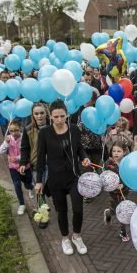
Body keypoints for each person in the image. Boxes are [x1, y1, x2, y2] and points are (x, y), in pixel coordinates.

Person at [35, 100, 91, 256]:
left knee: (78, 209)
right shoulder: (44, 133)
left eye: (62, 116)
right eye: (56, 117)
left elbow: (80, 148)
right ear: (50, 116)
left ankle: (77, 236)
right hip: (56, 179)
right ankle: (65, 238)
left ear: (67, 114)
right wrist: (39, 180)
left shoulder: (74, 129)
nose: (59, 120)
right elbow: (40, 158)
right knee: (62, 210)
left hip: (73, 177)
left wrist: (84, 157)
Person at [0, 120, 33, 215]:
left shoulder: (24, 137)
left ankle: (30, 187)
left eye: (16, 130)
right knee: (17, 184)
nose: (14, 133)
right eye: (11, 131)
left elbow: (28, 152)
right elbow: (0, 151)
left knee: (28, 184)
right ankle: (22, 204)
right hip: (13, 167)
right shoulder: (8, 139)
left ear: (20, 128)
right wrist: (6, 143)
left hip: (25, 166)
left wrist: (17, 158)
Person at [20, 103, 50, 200]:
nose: (39, 116)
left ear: (46, 113)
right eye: (36, 114)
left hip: (53, 164)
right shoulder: (28, 129)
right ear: (32, 115)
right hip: (36, 164)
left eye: (42, 113)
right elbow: (25, 148)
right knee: (40, 191)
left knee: (55, 191)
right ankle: (42, 208)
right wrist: (23, 163)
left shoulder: (53, 127)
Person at [103, 141, 131, 242]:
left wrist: (124, 185)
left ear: (124, 152)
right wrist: (114, 185)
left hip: (125, 191)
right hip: (113, 193)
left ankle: (123, 232)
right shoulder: (108, 163)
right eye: (114, 151)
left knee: (121, 210)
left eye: (119, 151)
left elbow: (130, 177)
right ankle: (108, 214)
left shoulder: (127, 163)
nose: (116, 153)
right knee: (116, 211)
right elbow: (105, 178)